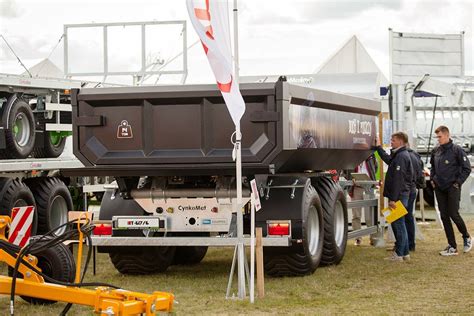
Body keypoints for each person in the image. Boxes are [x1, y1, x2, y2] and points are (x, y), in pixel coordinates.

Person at [430, 125, 472, 256]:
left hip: (452, 187)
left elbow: (467, 168)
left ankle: (466, 237)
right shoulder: (435, 150)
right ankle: (452, 246)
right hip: (439, 188)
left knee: (454, 214)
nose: (438, 139)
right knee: (444, 216)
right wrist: (432, 179)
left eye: (440, 136)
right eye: (437, 137)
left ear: (447, 135)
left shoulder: (457, 150)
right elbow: (432, 166)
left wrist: (458, 183)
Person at [373, 132, 413, 261]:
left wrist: (393, 199)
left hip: (398, 196)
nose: (391, 142)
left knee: (398, 225)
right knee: (399, 224)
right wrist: (378, 148)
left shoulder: (401, 157)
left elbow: (398, 180)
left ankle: (399, 254)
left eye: (393, 140)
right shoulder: (399, 155)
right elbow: (389, 160)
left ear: (401, 142)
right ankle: (405, 253)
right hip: (401, 195)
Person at [351, 154, 378, 246]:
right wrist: (351, 179)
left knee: (370, 216)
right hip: (356, 188)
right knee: (356, 215)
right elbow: (345, 171)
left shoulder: (371, 156)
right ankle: (358, 238)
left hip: (368, 187)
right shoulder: (351, 156)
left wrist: (371, 179)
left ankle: (373, 238)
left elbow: (376, 167)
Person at [406, 142, 425, 252]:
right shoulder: (416, 156)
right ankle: (411, 243)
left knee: (402, 218)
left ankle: (405, 244)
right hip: (413, 189)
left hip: (405, 190)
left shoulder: (403, 156)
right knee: (409, 216)